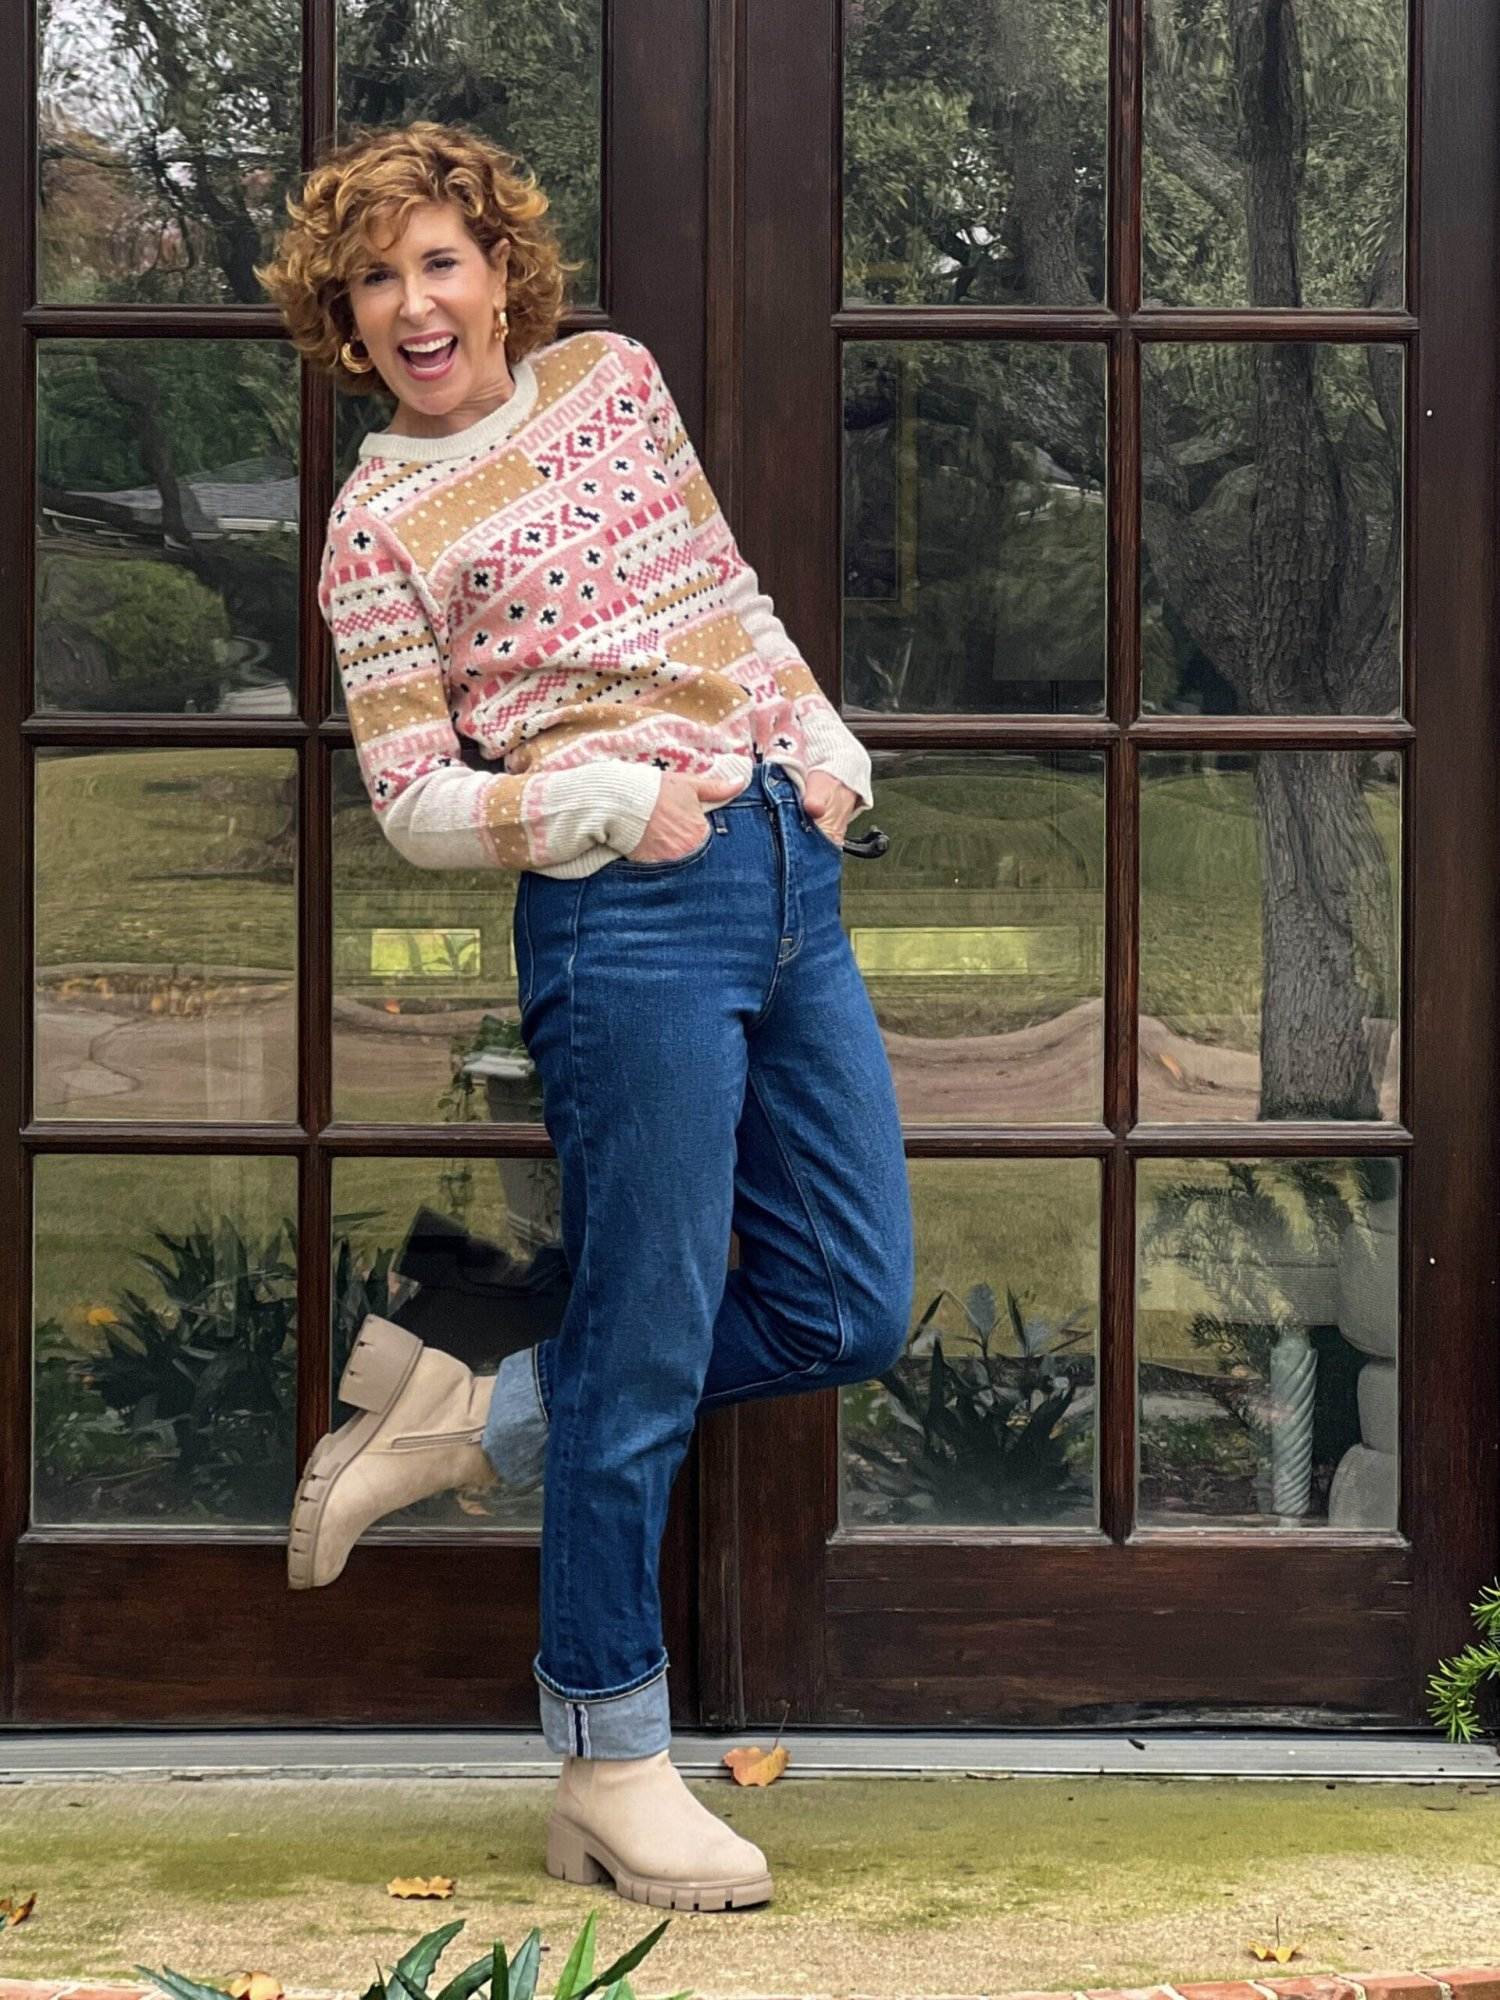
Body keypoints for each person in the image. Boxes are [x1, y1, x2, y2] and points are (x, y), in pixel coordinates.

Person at [255, 117, 915, 1913]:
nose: (414, 304)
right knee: (647, 1331)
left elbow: (725, 598)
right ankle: (613, 1761)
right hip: (623, 918)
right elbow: (409, 799)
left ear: (496, 268)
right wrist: (605, 807)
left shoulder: (614, 382)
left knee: (853, 1299)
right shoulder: (374, 523)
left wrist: (824, 743)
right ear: (345, 312)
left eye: (440, 262)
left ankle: (472, 1417)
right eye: (375, 278)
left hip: (789, 864)